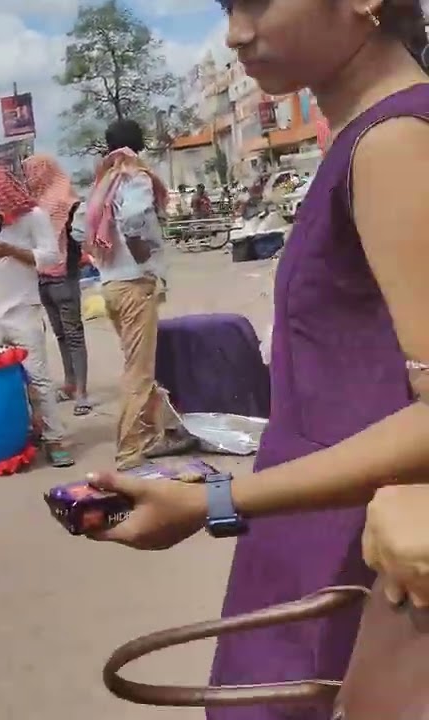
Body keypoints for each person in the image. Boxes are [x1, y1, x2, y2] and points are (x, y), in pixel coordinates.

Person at [87, 3, 429, 720]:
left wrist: (214, 502)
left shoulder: (394, 142)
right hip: (324, 521)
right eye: (226, 8)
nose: (237, 33)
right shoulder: (371, 136)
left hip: (363, 550)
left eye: (257, 1)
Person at [71, 119, 195, 471]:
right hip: (135, 283)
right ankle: (129, 452)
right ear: (139, 144)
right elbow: (136, 215)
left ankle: (162, 432)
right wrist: (137, 247)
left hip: (110, 284)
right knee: (138, 373)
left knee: (137, 366)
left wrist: (102, 256)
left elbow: (80, 227)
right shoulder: (134, 176)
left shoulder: (101, 182)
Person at [0, 166, 75, 469]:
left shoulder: (33, 216)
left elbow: (50, 258)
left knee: (38, 377)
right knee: (1, 379)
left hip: (24, 309)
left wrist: (11, 250)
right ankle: (18, 434)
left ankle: (55, 438)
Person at [23, 154, 91, 416]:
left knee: (73, 334)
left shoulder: (67, 201)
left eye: (31, 172)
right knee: (61, 334)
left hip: (65, 274)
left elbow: (79, 239)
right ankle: (71, 383)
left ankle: (82, 392)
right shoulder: (34, 206)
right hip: (42, 276)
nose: (29, 177)